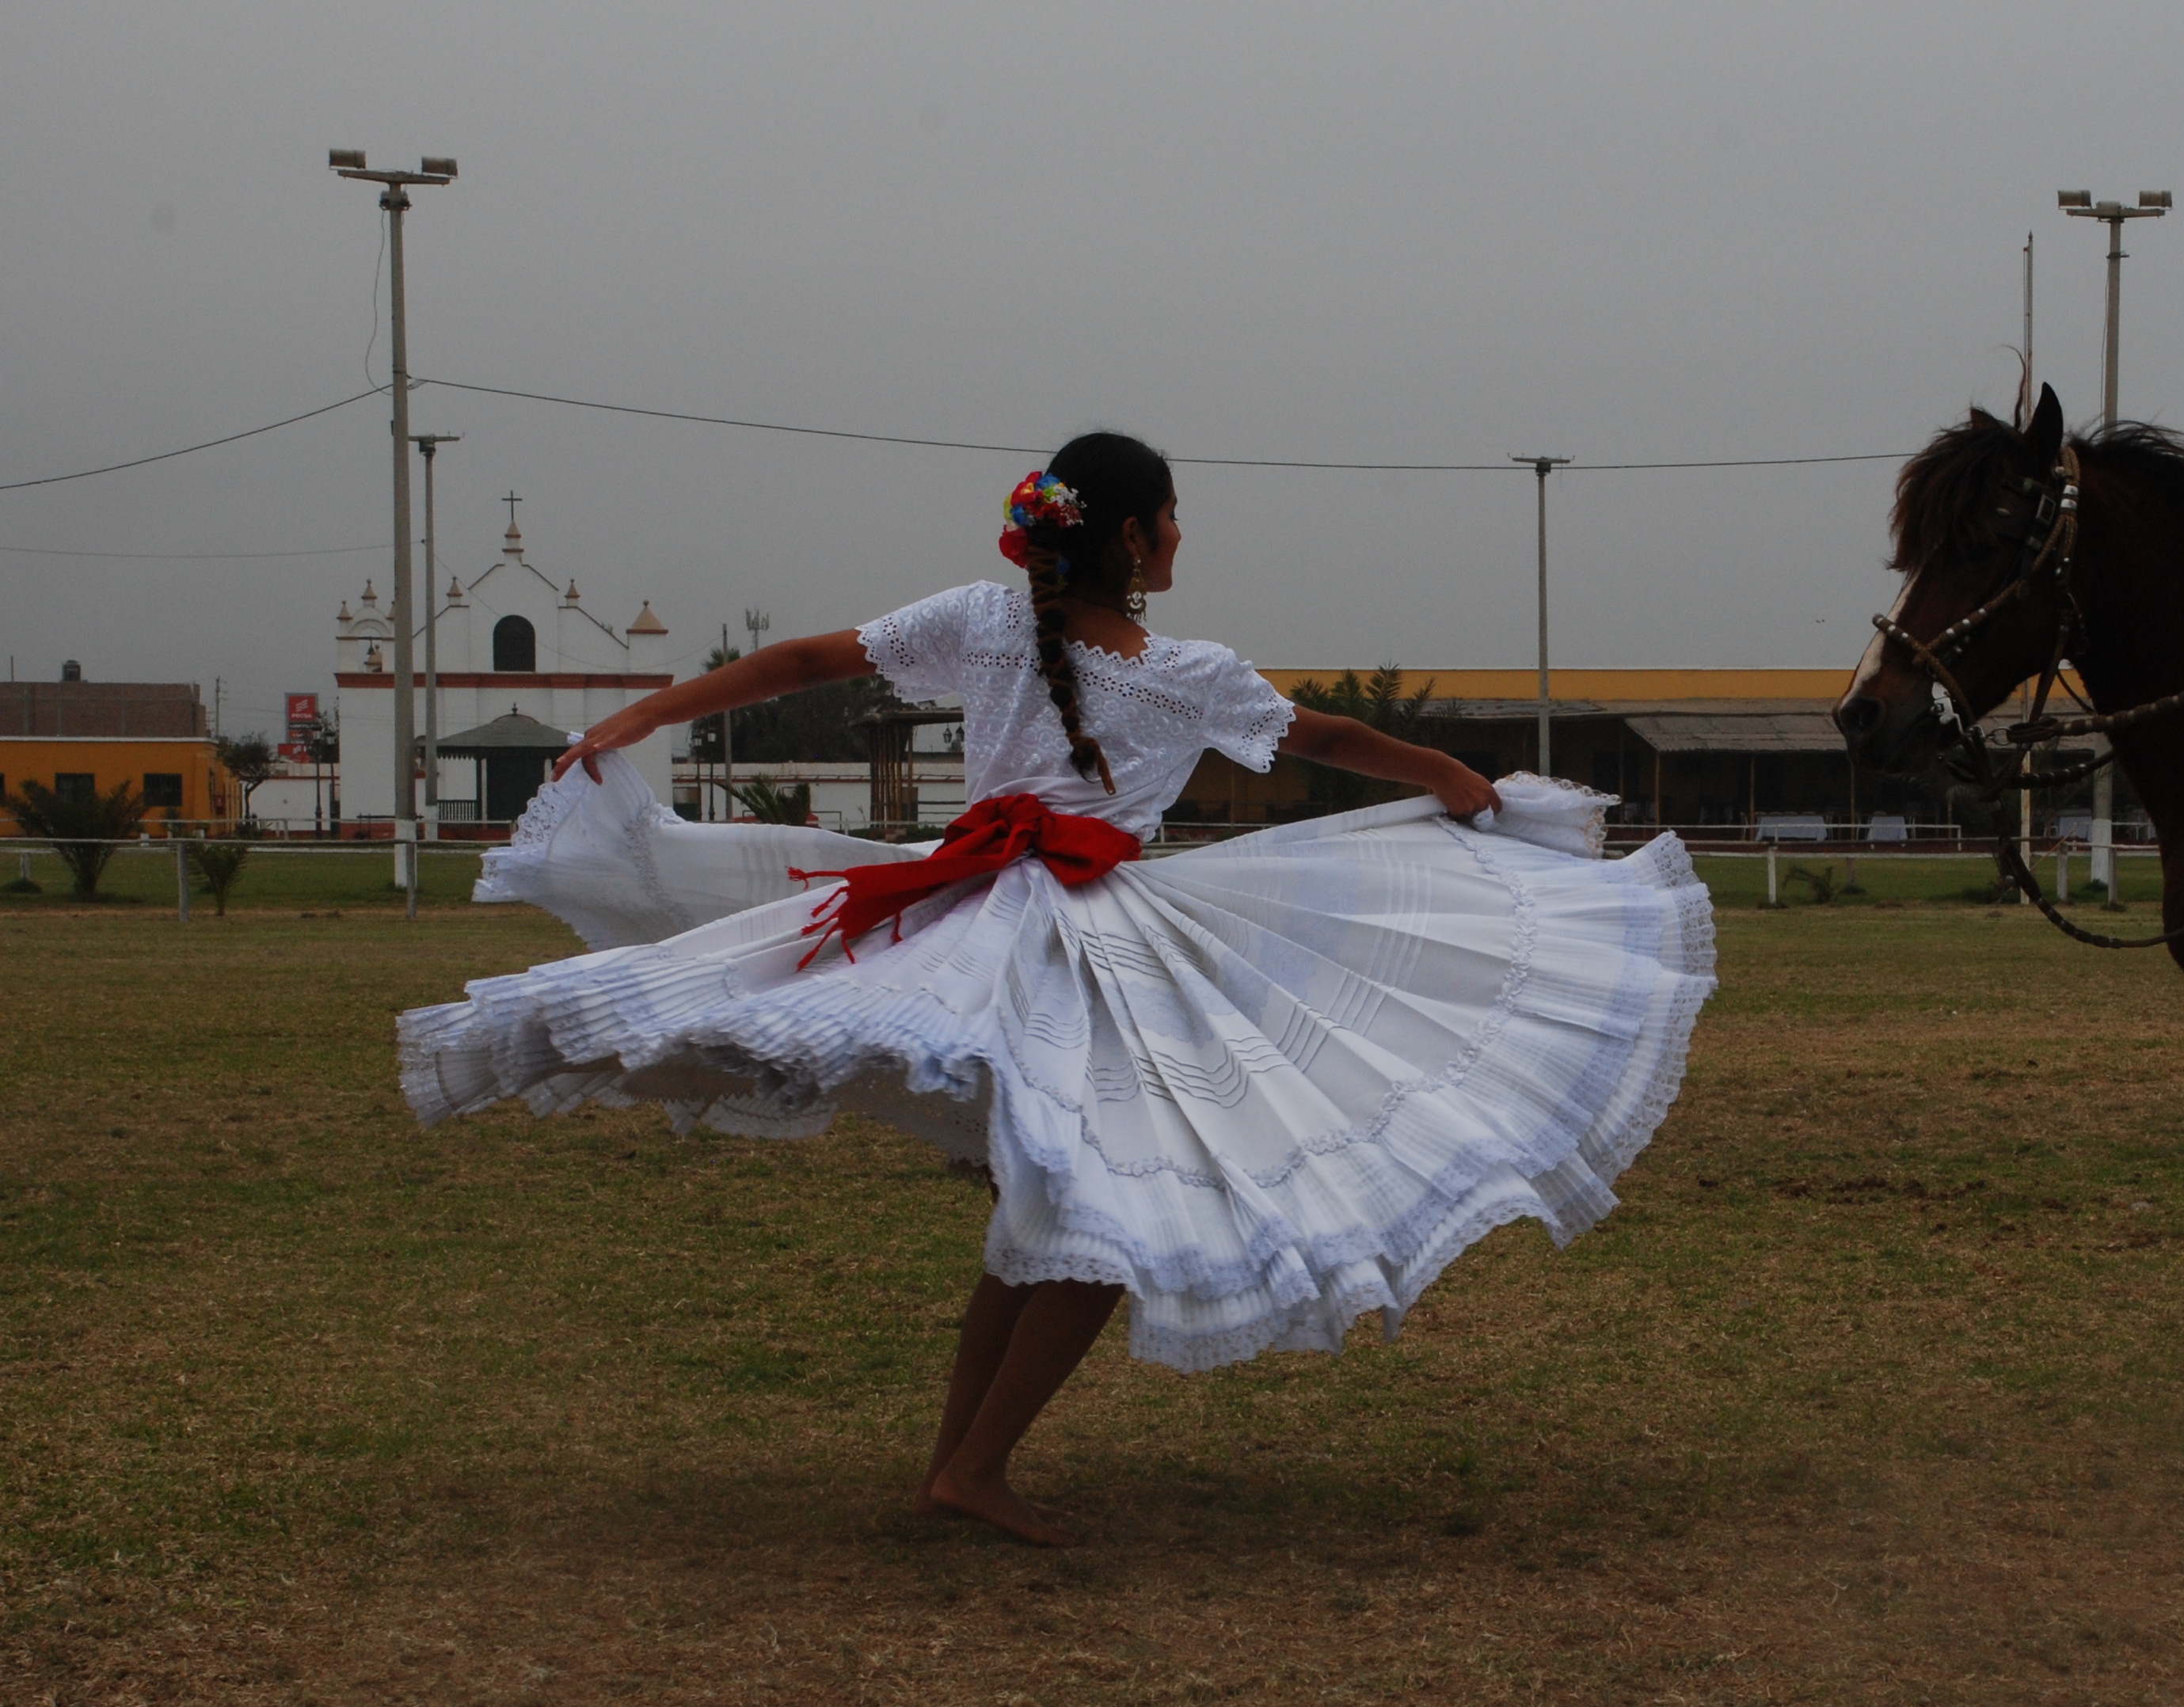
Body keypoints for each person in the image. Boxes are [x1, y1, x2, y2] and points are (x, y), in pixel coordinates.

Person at [400, 432, 1718, 1545]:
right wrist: (1457, 782)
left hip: (984, 910)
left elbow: (801, 661)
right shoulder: (1174, 668)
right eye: (1175, 525)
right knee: (1099, 1215)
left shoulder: (986, 625)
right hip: (1068, 931)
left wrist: (647, 714)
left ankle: (960, 1468)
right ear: (1139, 539)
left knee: (1057, 1202)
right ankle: (968, 1468)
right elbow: (1325, 739)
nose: (1181, 543)